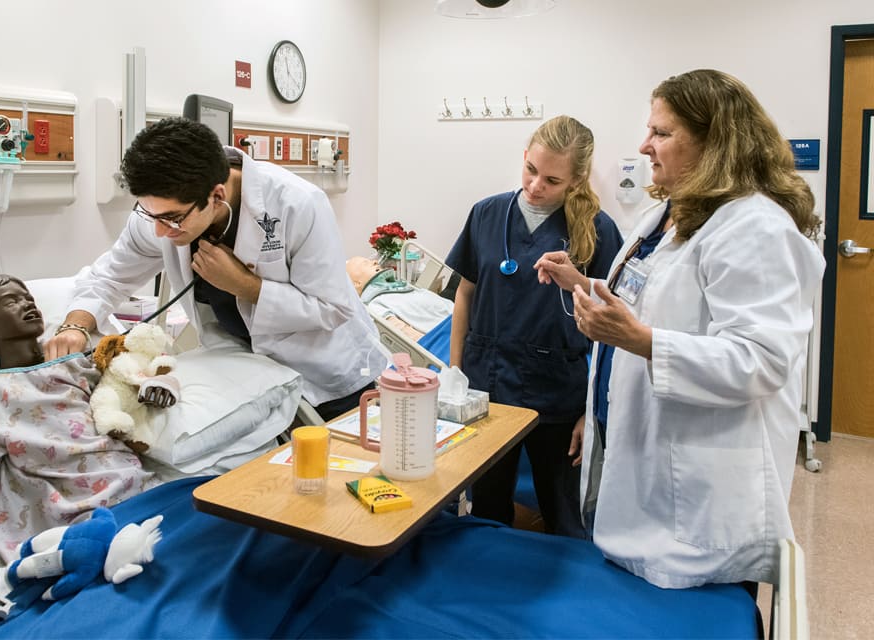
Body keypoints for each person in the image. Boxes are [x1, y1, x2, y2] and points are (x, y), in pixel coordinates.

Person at [552, 69, 823, 589]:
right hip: (639, 454)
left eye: (662, 133)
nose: (644, 145)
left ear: (714, 143)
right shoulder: (665, 217)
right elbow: (649, 301)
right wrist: (583, 285)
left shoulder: (754, 227)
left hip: (699, 496)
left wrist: (637, 340)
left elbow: (760, 360)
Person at [45, 117, 385, 422]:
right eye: (151, 216)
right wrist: (75, 326)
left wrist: (246, 286)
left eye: (173, 219)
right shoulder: (162, 210)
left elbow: (332, 308)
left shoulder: (297, 204)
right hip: (246, 374)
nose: (160, 232)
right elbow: (108, 277)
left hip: (328, 377)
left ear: (217, 196)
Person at [0, 275, 168, 611]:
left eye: (27, 296)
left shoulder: (79, 365)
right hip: (76, 525)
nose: (28, 303)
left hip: (141, 495)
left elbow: (124, 389)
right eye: (10, 301)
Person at [446, 115, 623, 537]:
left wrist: (591, 412)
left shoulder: (598, 230)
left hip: (559, 397)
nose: (535, 186)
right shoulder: (487, 214)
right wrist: (454, 375)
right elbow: (465, 296)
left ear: (576, 181)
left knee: (565, 517)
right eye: (531, 170)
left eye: (552, 180)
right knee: (487, 511)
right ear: (524, 157)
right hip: (485, 391)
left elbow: (615, 326)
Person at [346, 255, 454, 342]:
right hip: (449, 333)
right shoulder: (375, 304)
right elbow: (407, 335)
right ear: (356, 284)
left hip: (458, 316)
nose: (375, 262)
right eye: (366, 264)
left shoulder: (401, 288)